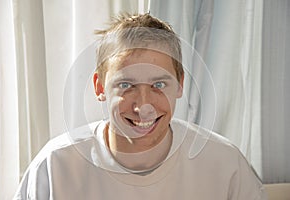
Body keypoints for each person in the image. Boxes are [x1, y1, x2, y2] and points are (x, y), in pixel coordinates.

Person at [14, 13, 267, 200]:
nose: (144, 105)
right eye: (126, 85)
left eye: (158, 84)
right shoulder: (55, 165)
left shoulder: (225, 163)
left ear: (179, 85)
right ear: (100, 87)